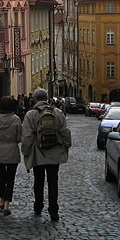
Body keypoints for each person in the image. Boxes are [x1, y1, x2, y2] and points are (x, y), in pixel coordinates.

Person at [21, 87, 72, 221]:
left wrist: (26, 152)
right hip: (55, 152)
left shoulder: (31, 114)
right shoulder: (57, 112)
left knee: (38, 180)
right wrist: (66, 146)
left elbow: (27, 136)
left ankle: (38, 206)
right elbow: (65, 131)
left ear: (35, 98)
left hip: (38, 152)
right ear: (47, 98)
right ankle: (53, 209)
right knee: (53, 181)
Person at [0, 96, 21, 216]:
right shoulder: (16, 119)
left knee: (1, 177)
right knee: (10, 178)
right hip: (12, 150)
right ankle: (7, 203)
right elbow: (19, 137)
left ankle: (1, 200)